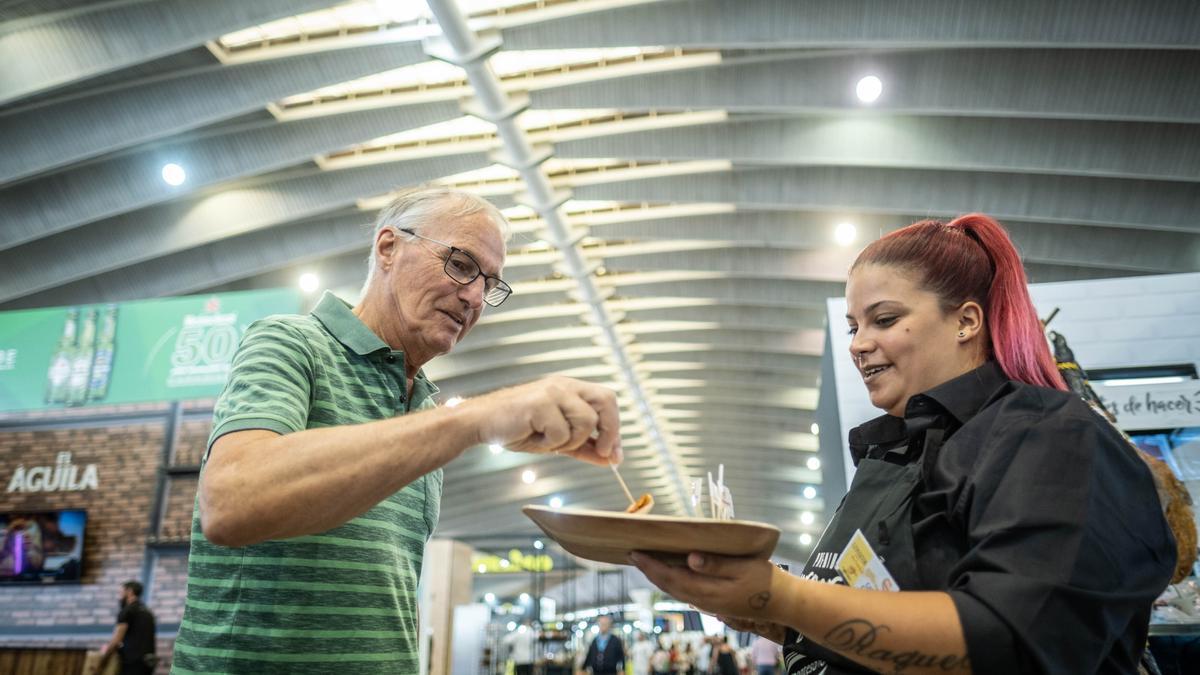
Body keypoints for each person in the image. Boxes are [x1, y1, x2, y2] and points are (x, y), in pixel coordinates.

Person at [630, 214, 1177, 674]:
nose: (860, 345)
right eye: (853, 327)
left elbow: (1010, 640)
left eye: (884, 320)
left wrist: (783, 595)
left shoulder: (1049, 436)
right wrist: (757, 609)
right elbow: (878, 614)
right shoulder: (894, 452)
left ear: (965, 321)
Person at [172, 186, 623, 673]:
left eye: (489, 283)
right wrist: (471, 418)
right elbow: (232, 501)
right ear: (388, 247)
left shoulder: (423, 405)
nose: (474, 296)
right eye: (461, 264)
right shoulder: (290, 343)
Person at [101, 581, 156, 675]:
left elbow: (117, 640)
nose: (120, 596)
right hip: (148, 662)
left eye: (121, 592)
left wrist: (104, 658)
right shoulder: (147, 612)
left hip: (132, 663)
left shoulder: (127, 611)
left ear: (129, 591)